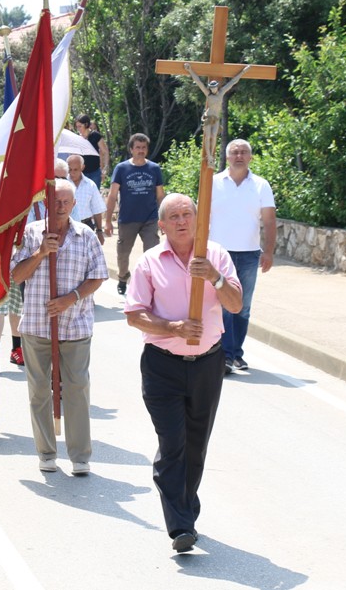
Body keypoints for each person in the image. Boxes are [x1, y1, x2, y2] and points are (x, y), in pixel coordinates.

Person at [123, 193, 242, 553]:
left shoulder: (216, 255)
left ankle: (186, 507)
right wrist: (173, 327)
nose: (181, 220)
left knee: (196, 445)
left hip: (208, 363)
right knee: (173, 444)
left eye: (186, 213)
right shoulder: (148, 262)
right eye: (172, 216)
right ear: (161, 226)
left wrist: (216, 279)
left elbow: (236, 304)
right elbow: (134, 314)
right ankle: (180, 526)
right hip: (162, 365)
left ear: (196, 219)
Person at [12, 179, 108, 475]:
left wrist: (70, 298)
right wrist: (41, 253)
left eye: (66, 201)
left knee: (77, 388)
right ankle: (46, 452)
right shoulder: (30, 233)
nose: (61, 206)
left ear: (75, 204)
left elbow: (98, 276)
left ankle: (80, 456)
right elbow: (16, 275)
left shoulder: (86, 235)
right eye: (56, 201)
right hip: (37, 326)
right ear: (45, 203)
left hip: (75, 325)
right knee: (39, 390)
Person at [210, 138, 276, 374]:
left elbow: (269, 221)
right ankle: (225, 355)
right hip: (219, 254)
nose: (239, 156)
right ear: (227, 157)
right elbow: (202, 218)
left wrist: (268, 251)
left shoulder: (260, 185)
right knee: (224, 304)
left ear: (250, 157)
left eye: (243, 152)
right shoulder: (213, 182)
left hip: (248, 254)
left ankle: (236, 353)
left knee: (243, 307)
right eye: (234, 152)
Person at [105, 133, 166, 295]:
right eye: (137, 147)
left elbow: (160, 195)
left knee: (152, 252)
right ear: (131, 149)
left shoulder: (154, 168)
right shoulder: (121, 168)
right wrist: (108, 221)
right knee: (123, 254)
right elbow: (112, 195)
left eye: (143, 147)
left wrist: (165, 219)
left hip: (150, 219)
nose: (141, 150)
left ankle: (151, 282)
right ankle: (123, 277)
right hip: (128, 219)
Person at [66, 154, 106, 241]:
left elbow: (97, 209)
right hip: (66, 226)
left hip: (87, 225)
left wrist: (99, 231)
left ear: (82, 167)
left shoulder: (90, 185)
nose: (72, 172)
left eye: (75, 169)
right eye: (70, 169)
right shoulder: (63, 184)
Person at [75, 114, 109, 185]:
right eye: (77, 127)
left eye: (80, 126)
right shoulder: (77, 138)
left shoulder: (95, 135)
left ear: (86, 124)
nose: (78, 129)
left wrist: (105, 168)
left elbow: (105, 152)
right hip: (82, 173)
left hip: (95, 172)